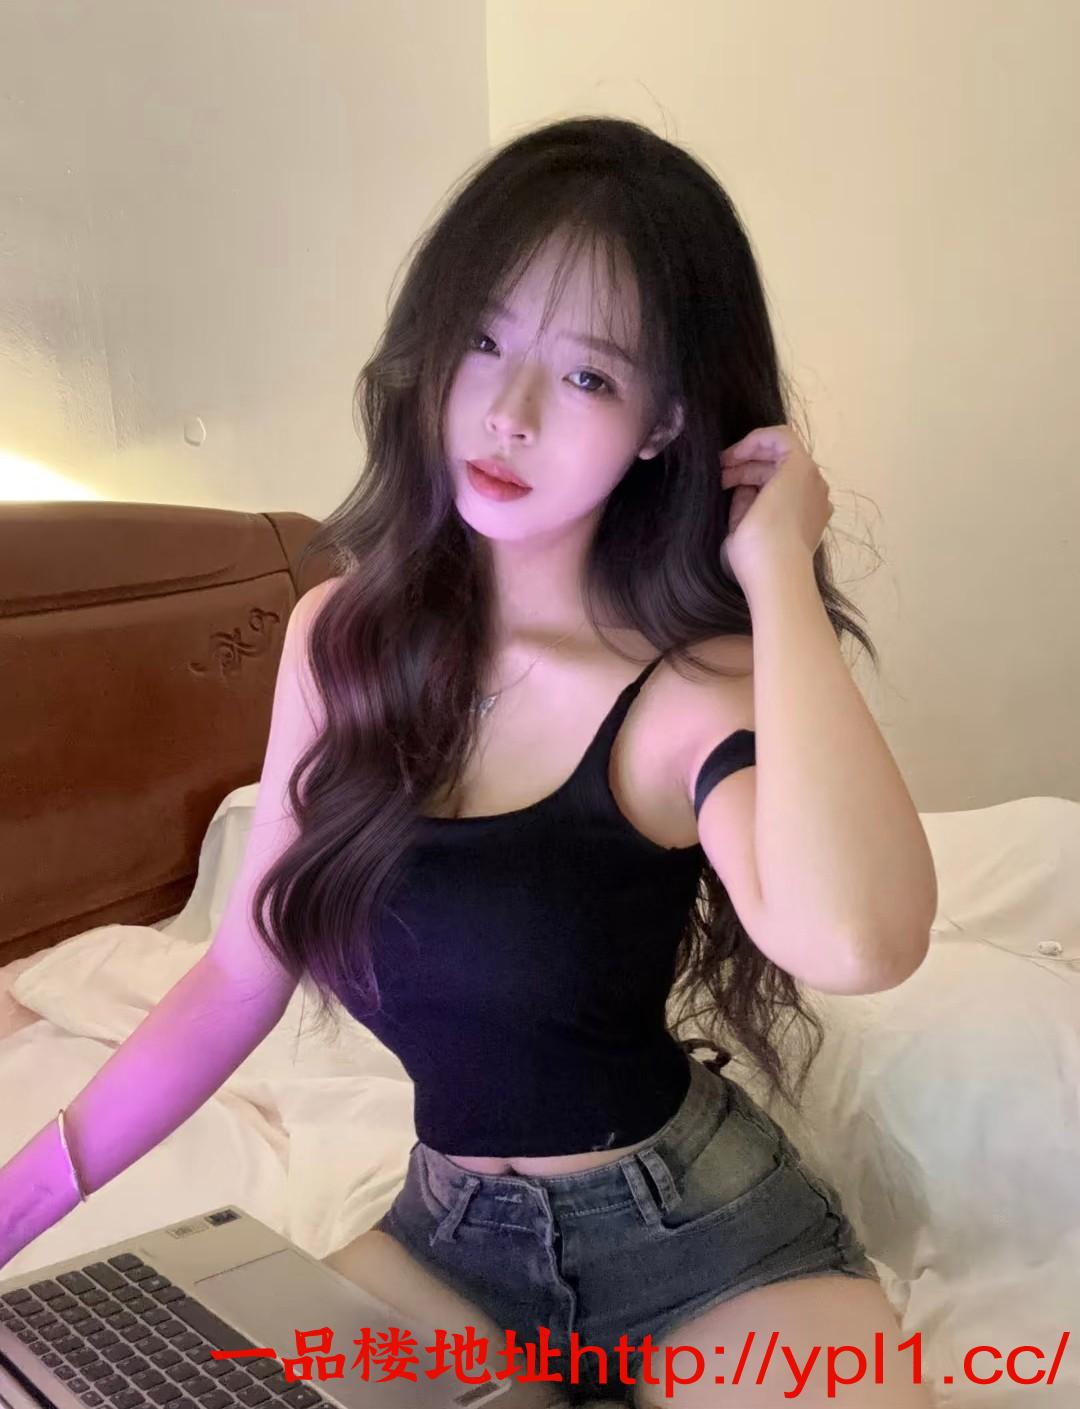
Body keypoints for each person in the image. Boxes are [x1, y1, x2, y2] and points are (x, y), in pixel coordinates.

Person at [1, 117, 939, 1408]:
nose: (508, 413)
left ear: (665, 421)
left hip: (709, 1250)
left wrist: (776, 568)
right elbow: (236, 973)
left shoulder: (689, 686)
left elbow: (861, 941)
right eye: (484, 341)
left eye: (589, 376)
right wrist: (13, 1208)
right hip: (450, 1251)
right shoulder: (341, 639)